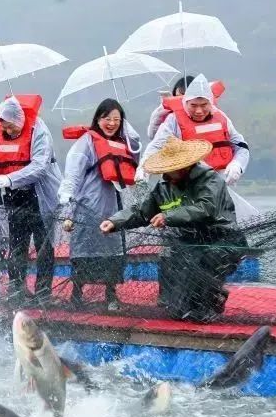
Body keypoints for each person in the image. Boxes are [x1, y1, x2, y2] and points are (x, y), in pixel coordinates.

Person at [102, 136, 245, 322]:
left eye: (174, 168)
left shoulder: (210, 179)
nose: (169, 173)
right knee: (178, 307)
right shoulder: (163, 186)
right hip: (189, 242)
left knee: (202, 267)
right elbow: (142, 212)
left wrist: (167, 216)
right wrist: (115, 221)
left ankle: (210, 295)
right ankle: (206, 296)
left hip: (223, 239)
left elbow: (206, 208)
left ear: (187, 165)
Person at [0, 95, 62, 303]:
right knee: (17, 244)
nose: (8, 132)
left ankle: (43, 293)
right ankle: (17, 289)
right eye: (5, 127)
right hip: (14, 197)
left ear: (19, 121)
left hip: (40, 195)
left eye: (11, 128)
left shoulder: (40, 132)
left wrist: (10, 178)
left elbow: (40, 167)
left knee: (45, 245)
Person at [59, 99, 141, 311]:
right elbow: (73, 176)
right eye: (106, 118)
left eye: (116, 119)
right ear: (97, 119)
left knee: (113, 251)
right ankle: (77, 295)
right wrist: (68, 208)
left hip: (113, 206)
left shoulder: (124, 142)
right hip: (87, 207)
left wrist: (132, 136)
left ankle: (111, 295)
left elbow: (136, 160)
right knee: (83, 250)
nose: (111, 123)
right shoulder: (86, 142)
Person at [139, 74, 247, 186]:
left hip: (219, 181)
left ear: (211, 102)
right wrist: (143, 168)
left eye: (204, 105)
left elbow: (241, 145)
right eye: (193, 105)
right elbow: (156, 145)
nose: (199, 111)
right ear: (185, 102)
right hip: (184, 184)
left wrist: (237, 165)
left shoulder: (221, 117)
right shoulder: (173, 120)